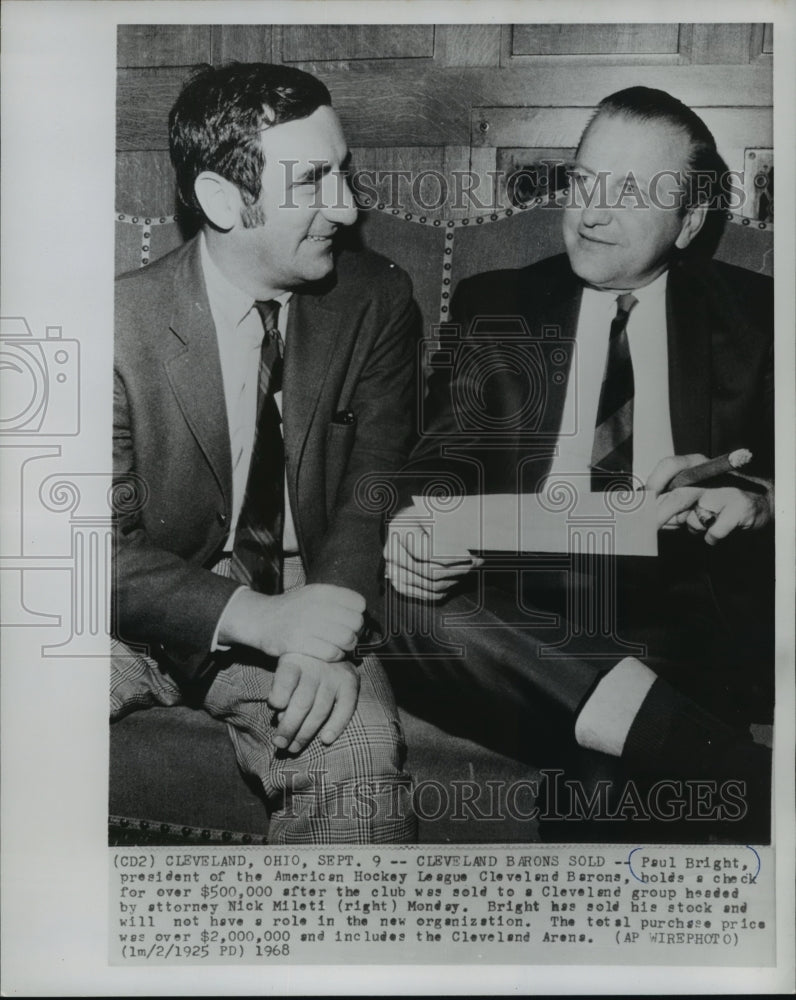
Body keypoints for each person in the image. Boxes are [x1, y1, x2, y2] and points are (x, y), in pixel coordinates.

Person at [381, 87, 773, 842]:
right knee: (398, 601)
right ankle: (737, 774)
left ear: (690, 221)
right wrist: (416, 523)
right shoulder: (498, 303)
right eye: (585, 181)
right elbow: (437, 462)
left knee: (602, 779)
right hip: (517, 609)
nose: (591, 212)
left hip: (676, 605)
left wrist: (758, 499)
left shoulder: (756, 318)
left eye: (629, 193)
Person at [111, 62, 419, 843]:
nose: (347, 208)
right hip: (124, 619)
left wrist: (325, 629)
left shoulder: (376, 300)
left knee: (354, 751)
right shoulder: (110, 326)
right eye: (313, 181)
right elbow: (84, 555)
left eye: (343, 173)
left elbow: (371, 486)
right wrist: (260, 620)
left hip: (305, 588)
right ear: (223, 200)